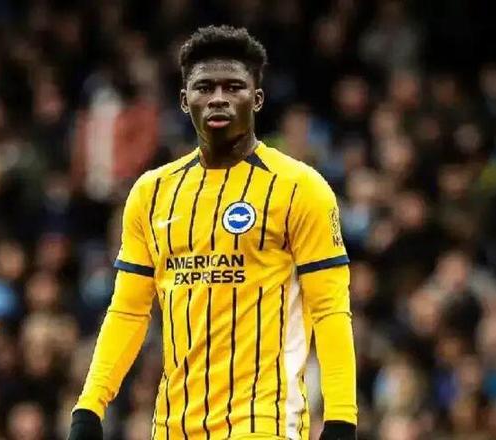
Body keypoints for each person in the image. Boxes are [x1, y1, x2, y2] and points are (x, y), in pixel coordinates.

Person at [69, 25, 357, 440]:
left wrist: (342, 417)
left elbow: (331, 309)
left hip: (265, 421)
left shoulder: (301, 188)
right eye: (205, 87)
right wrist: (89, 405)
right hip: (173, 426)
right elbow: (128, 311)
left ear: (257, 98)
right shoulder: (151, 193)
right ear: (184, 100)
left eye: (233, 87)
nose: (218, 98)